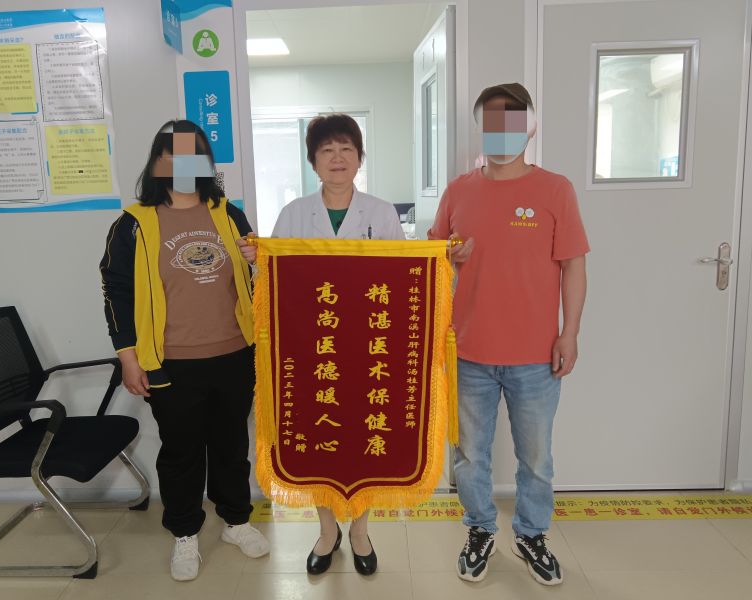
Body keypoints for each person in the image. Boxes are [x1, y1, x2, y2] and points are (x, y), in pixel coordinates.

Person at [428, 83, 589, 586]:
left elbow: (573, 266)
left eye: (513, 123)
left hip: (536, 356)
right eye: (493, 122)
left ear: (530, 129)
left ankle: (531, 534)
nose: (502, 133)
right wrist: (449, 257)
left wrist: (569, 333)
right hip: (468, 352)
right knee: (469, 456)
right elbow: (429, 263)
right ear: (481, 128)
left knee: (536, 458)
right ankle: (479, 530)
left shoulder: (555, 189)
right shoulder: (458, 191)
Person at [100, 119, 269, 582]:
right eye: (171, 155)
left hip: (234, 353)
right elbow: (116, 292)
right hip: (170, 360)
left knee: (232, 445)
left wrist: (260, 261)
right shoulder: (133, 224)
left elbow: (257, 281)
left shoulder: (228, 214)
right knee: (181, 451)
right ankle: (184, 533)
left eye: (193, 154)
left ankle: (235, 521)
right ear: (157, 162)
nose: (182, 164)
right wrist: (128, 357)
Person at [238, 113, 404, 576]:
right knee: (322, 438)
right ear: (313, 161)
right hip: (314, 348)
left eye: (346, 148)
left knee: (365, 438)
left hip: (368, 347)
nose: (337, 158)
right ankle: (327, 531)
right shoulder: (294, 214)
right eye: (327, 150)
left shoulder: (382, 213)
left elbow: (401, 274)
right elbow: (275, 281)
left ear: (360, 158)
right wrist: (257, 258)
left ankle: (361, 531)